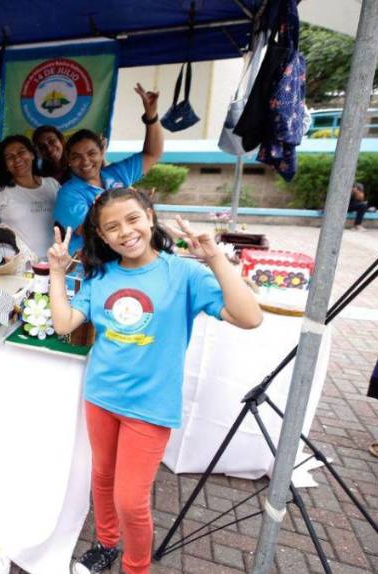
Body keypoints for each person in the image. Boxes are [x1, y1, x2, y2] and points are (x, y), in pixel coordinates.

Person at [47, 188, 262, 574]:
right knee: (103, 475)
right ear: (101, 235)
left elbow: (249, 317)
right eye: (111, 227)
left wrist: (214, 259)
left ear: (150, 216)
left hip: (150, 406)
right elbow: (64, 324)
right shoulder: (102, 275)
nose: (125, 232)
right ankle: (106, 544)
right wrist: (59, 274)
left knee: (131, 499)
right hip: (100, 395)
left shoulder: (184, 273)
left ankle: (136, 567)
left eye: (132, 219)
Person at [55, 84, 163, 255]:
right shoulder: (68, 193)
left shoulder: (116, 173)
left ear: (102, 152)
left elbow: (152, 153)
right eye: (76, 156)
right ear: (68, 161)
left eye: (92, 153)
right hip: (89, 268)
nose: (85, 161)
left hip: (127, 259)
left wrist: (151, 116)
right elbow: (92, 232)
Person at [0, 135, 60, 259]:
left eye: (21, 152)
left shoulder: (52, 184)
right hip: (16, 266)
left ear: (32, 154)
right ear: (5, 165)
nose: (17, 159)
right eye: (10, 157)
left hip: (52, 263)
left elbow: (66, 222)